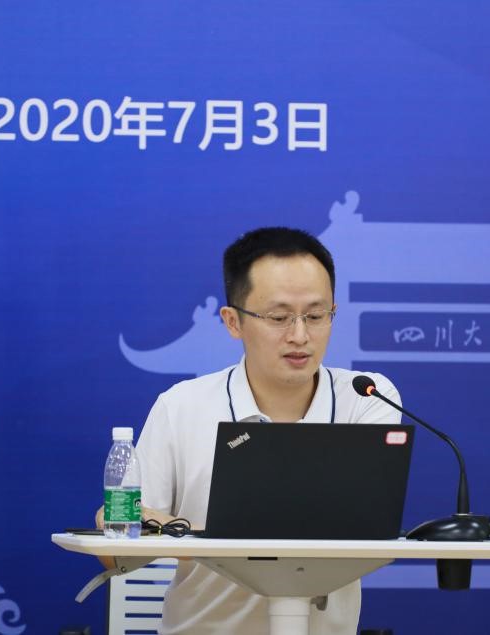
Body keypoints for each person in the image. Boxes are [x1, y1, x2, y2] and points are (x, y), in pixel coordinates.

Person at [98, 226, 401, 634]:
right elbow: (121, 553)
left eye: (316, 316)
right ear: (232, 322)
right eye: (278, 317)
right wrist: (118, 522)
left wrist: (194, 535)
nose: (300, 336)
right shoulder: (182, 407)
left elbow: (362, 528)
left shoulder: (366, 398)